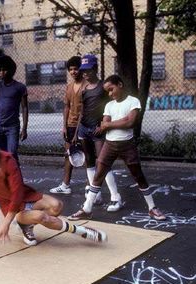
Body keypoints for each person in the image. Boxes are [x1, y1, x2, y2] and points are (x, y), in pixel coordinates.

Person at [0, 131, 107, 246]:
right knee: (42, 217)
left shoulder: (9, 160)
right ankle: (83, 232)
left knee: (57, 206)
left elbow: (17, 191)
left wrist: (6, 223)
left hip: (25, 197)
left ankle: (26, 225)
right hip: (12, 209)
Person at [68, 75, 166, 221]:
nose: (110, 94)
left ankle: (152, 208)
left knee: (138, 175)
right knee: (98, 175)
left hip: (127, 145)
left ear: (119, 84)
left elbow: (130, 122)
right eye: (107, 91)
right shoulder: (109, 105)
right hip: (109, 144)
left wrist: (109, 124)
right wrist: (111, 124)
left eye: (111, 89)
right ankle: (87, 208)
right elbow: (104, 125)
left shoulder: (133, 101)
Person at [74, 54, 122, 212]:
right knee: (89, 161)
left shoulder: (103, 86)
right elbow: (82, 111)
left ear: (95, 69)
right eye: (83, 71)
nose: (85, 73)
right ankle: (97, 195)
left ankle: (116, 197)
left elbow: (111, 107)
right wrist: (76, 132)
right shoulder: (83, 89)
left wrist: (104, 124)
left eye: (88, 70)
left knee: (103, 162)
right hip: (84, 129)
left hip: (98, 130)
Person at [49, 56, 86, 194]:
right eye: (70, 69)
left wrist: (77, 132)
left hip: (83, 125)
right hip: (70, 125)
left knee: (87, 156)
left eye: (76, 69)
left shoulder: (86, 86)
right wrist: (64, 126)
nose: (73, 72)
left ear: (81, 69)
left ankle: (91, 188)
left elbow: (84, 110)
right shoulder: (69, 86)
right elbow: (66, 107)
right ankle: (65, 185)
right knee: (68, 154)